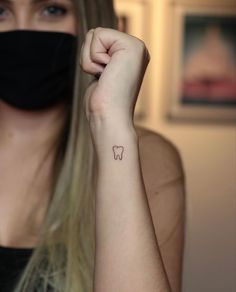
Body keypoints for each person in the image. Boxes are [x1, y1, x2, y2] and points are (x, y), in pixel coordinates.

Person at [0, 0, 185, 291]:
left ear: (90, 22)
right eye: (0, 11)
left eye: (51, 10)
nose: (22, 30)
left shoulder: (149, 158)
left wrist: (108, 121)